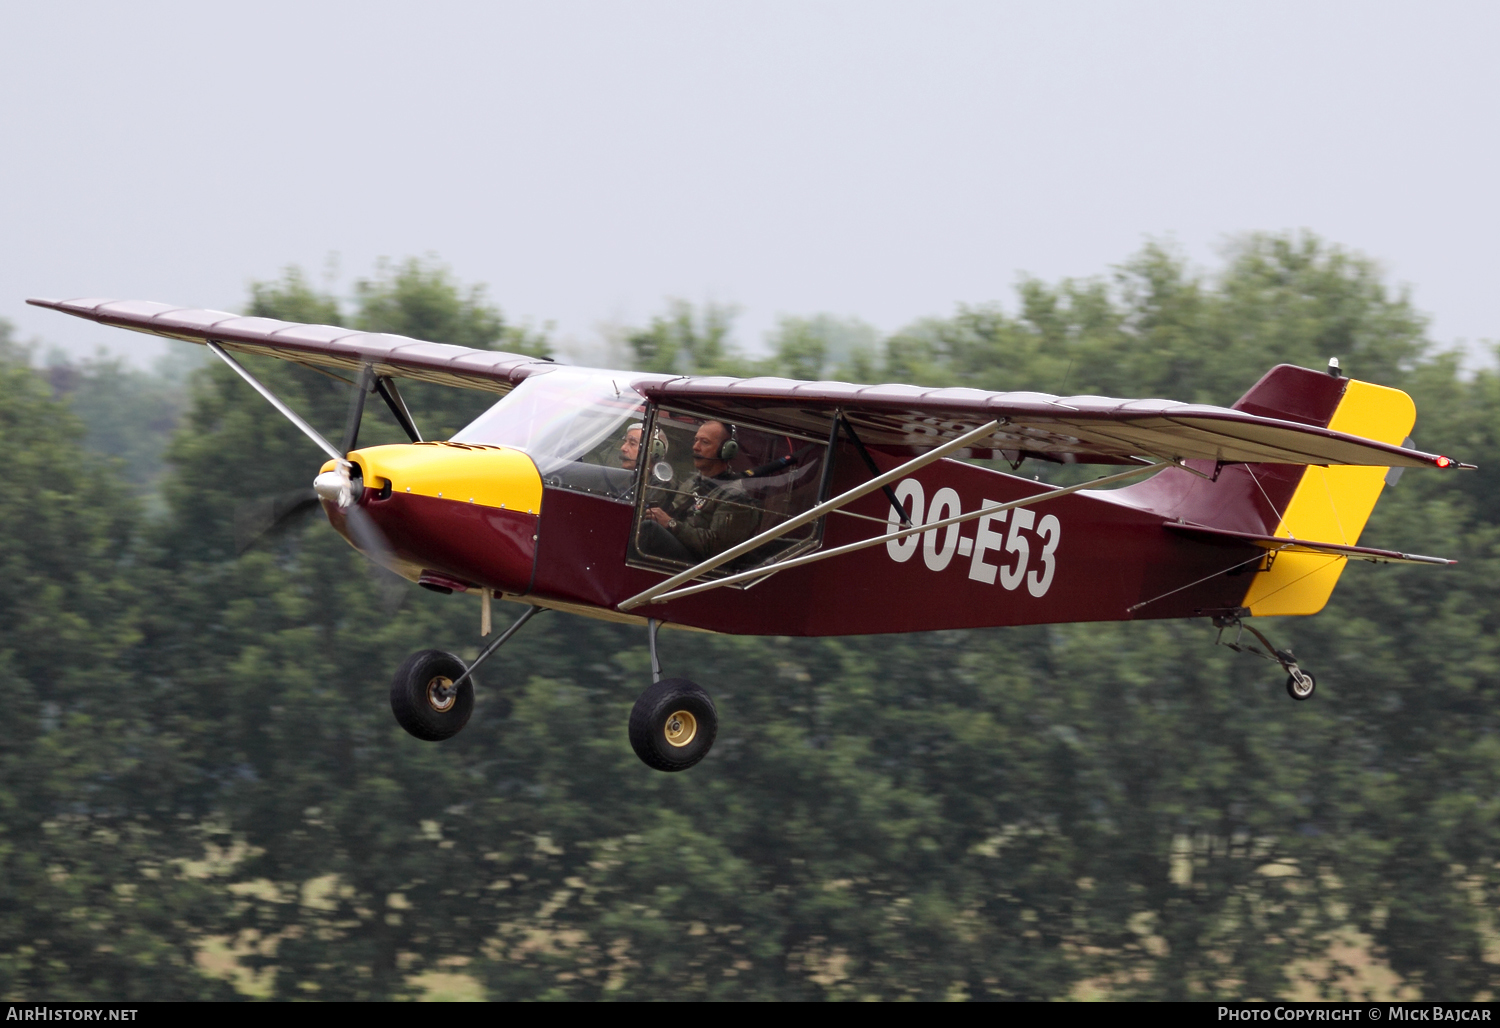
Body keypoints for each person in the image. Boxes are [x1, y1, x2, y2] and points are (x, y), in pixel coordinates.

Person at [638, 420, 757, 563]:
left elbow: (716, 547)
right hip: (680, 548)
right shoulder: (692, 482)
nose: (695, 447)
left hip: (699, 565)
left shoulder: (734, 496)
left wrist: (672, 524)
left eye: (705, 442)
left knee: (649, 529)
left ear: (726, 450)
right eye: (695, 441)